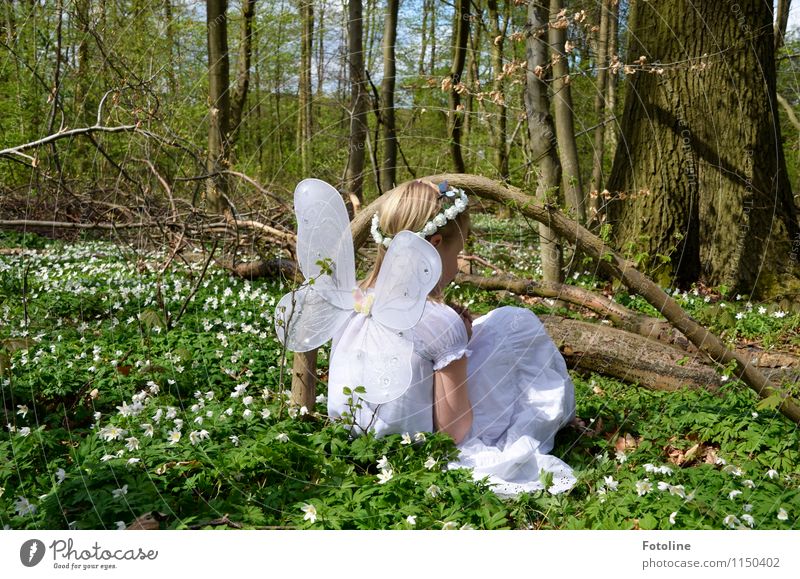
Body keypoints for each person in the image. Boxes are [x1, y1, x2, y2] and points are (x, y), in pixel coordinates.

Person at [327, 179, 577, 495]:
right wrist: (456, 340)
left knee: (489, 327)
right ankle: (557, 409)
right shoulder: (437, 319)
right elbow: (453, 431)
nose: (457, 267)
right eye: (456, 253)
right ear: (434, 244)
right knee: (516, 322)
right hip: (415, 446)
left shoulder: (355, 299)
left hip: (353, 436)